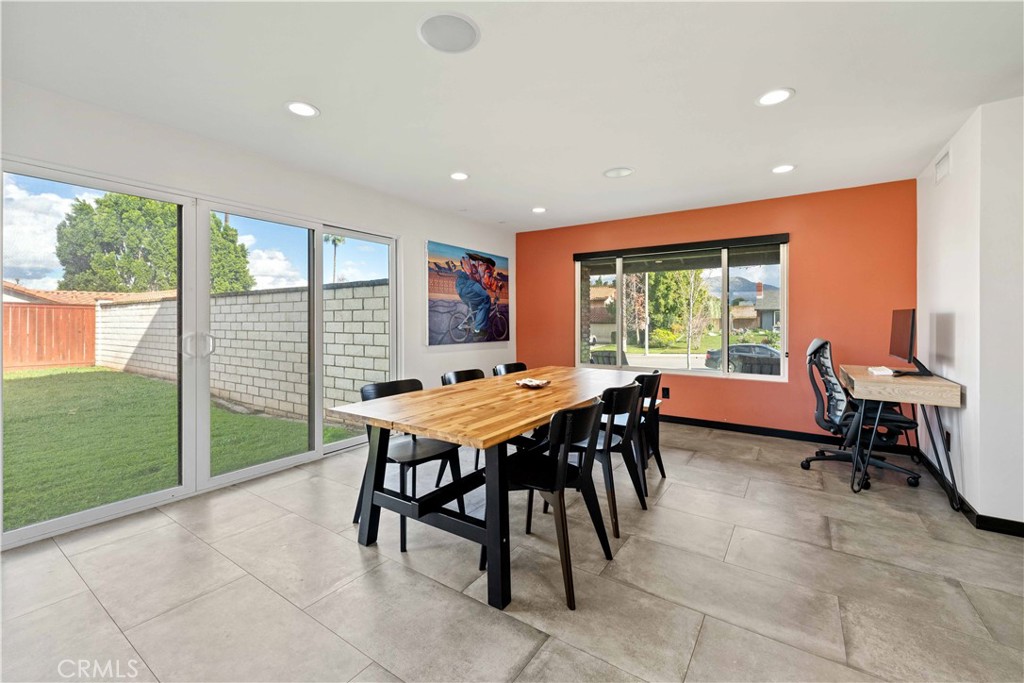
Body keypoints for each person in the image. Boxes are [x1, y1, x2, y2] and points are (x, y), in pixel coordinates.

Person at [455, 253, 500, 335]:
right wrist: (497, 286)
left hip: (460, 286)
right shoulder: (486, 268)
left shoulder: (479, 266)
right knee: (486, 299)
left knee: (476, 305)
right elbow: (487, 282)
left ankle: (469, 323)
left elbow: (486, 283)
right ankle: (478, 330)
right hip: (468, 284)